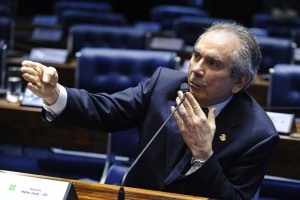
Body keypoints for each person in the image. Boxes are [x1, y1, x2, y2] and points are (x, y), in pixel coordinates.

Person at [21, 22, 279, 199]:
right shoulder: (164, 85)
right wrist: (54, 95)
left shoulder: (258, 133)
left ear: (239, 81)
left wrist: (203, 154)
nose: (196, 69)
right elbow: (107, 109)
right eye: (196, 56)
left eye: (213, 63)